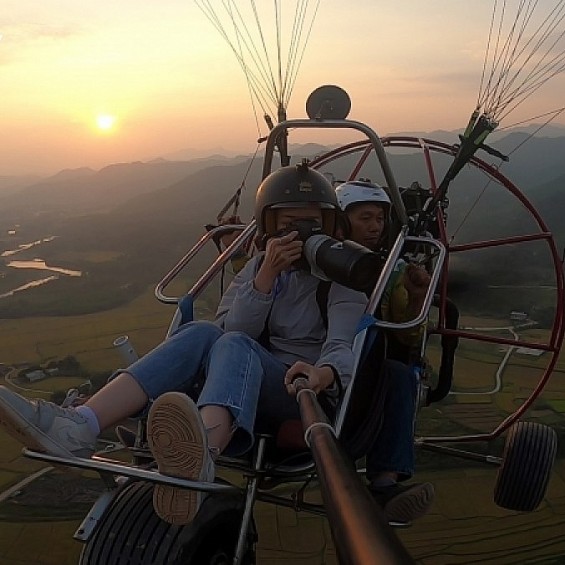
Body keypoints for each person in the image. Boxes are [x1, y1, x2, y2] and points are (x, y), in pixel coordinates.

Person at [0, 163, 366, 526]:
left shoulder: (340, 279)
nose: (299, 236)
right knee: (205, 331)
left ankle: (202, 451)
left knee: (232, 342)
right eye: (287, 227)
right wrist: (266, 278)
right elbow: (230, 329)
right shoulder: (258, 269)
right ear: (268, 229)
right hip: (240, 379)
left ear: (330, 227)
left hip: (296, 389)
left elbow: (342, 345)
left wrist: (323, 374)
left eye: (311, 225)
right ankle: (81, 425)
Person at [335, 180, 435, 523]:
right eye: (365, 218)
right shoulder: (317, 258)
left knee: (397, 370)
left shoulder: (392, 271)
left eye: (379, 218)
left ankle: (385, 482)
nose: (375, 226)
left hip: (366, 371)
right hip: (316, 361)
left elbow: (407, 337)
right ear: (341, 220)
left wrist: (417, 296)